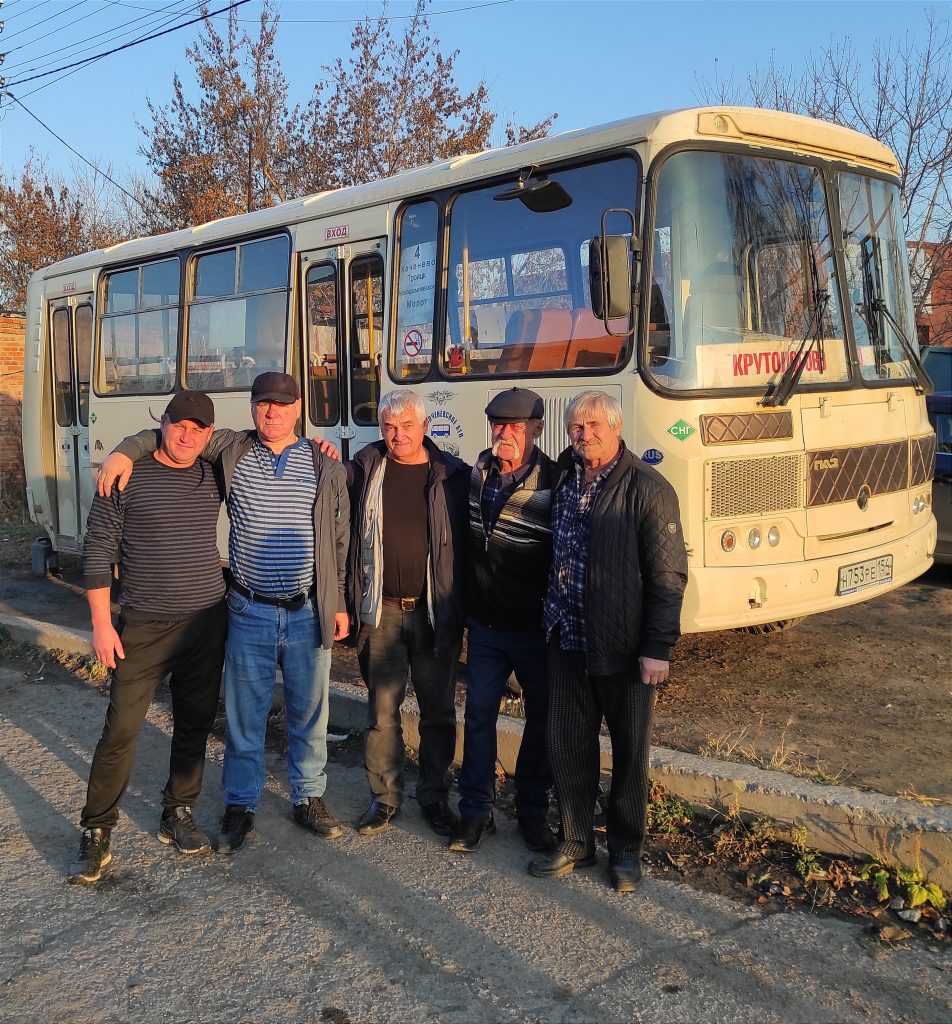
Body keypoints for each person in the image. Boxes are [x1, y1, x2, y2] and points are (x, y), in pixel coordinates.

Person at [98, 372, 350, 854]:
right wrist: (123, 449)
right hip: (249, 611)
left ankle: (308, 797)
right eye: (262, 405)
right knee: (244, 718)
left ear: (299, 409)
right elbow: (175, 433)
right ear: (253, 409)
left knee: (309, 714)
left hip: (305, 612)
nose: (270, 413)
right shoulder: (232, 449)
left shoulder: (323, 464)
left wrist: (335, 602)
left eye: (280, 405)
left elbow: (337, 541)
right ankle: (240, 805)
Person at [529, 390, 687, 893]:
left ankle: (624, 850)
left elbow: (668, 576)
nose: (583, 433)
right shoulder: (562, 477)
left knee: (629, 751)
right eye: (576, 425)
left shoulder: (648, 488)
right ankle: (577, 838)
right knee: (568, 745)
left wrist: (657, 647)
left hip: (622, 647)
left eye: (594, 424)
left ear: (616, 428)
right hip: (565, 638)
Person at [68, 392, 226, 884]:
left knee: (195, 723)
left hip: (205, 621)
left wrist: (325, 449)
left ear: (208, 435)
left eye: (199, 430)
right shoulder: (125, 475)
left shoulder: (213, 469)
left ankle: (177, 812)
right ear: (163, 423)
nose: (187, 436)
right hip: (143, 624)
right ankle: (96, 830)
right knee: (121, 729)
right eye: (180, 425)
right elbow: (98, 550)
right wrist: (100, 623)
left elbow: (266, 437)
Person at [347, 390, 469, 838]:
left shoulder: (451, 477)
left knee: (438, 712)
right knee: (381, 712)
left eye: (406, 427)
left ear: (424, 427)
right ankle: (384, 798)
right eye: (389, 427)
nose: (397, 436)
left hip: (434, 616)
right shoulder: (364, 471)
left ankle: (435, 798)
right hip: (382, 612)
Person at [449, 387, 556, 854]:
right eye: (498, 425)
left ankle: (532, 814)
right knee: (477, 719)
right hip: (487, 628)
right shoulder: (477, 475)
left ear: (536, 429)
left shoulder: (557, 480)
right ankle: (476, 812)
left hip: (536, 630)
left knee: (542, 722)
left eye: (516, 426)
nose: (505, 433)